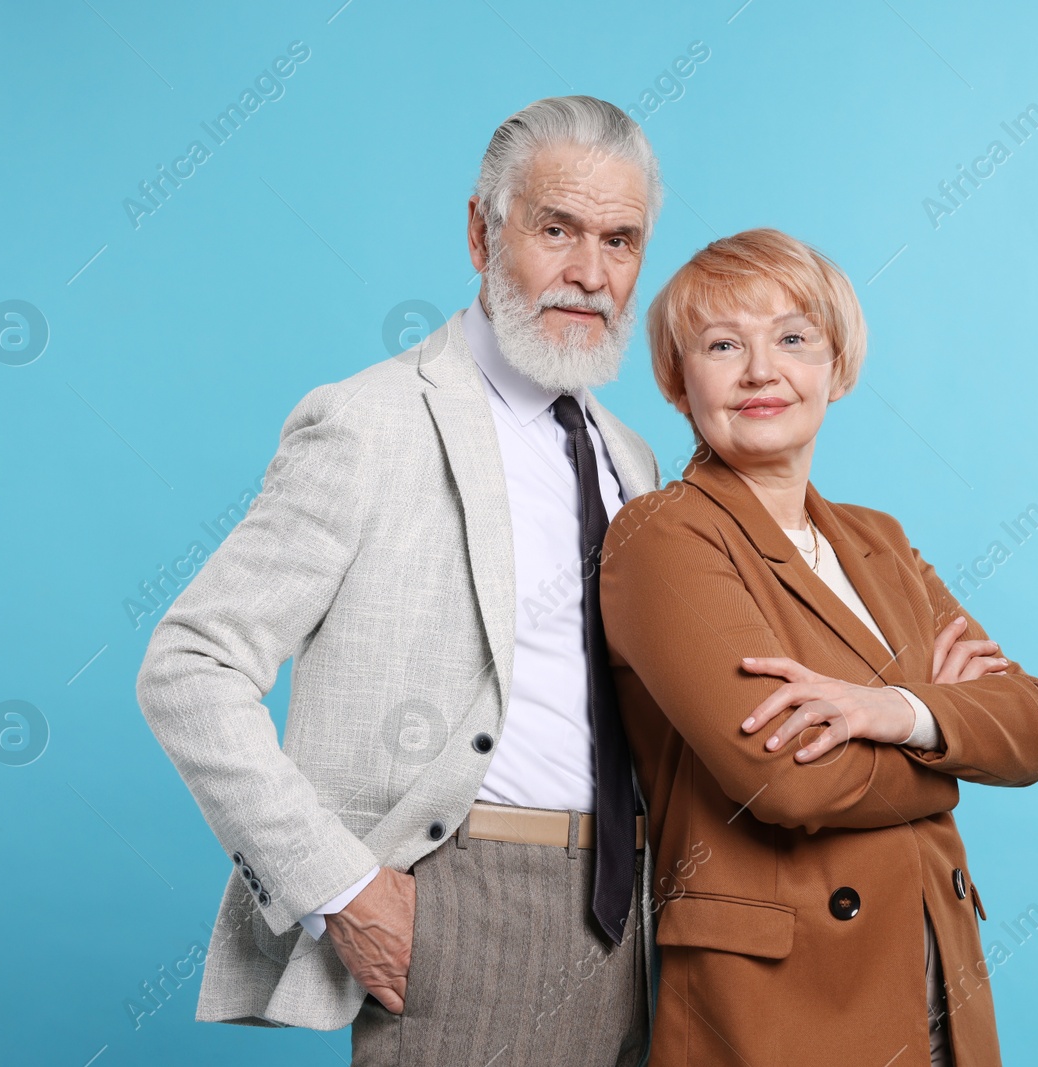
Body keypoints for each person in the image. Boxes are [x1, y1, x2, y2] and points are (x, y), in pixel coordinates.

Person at [136, 96, 666, 1064]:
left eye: (621, 240)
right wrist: (342, 887)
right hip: (464, 910)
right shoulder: (368, 422)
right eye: (557, 229)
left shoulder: (633, 459)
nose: (591, 273)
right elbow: (189, 663)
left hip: (633, 926)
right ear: (480, 229)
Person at [599, 228, 1038, 1065]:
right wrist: (949, 735)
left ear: (837, 367)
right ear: (676, 380)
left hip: (934, 969)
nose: (761, 370)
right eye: (722, 344)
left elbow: (1030, 726)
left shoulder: (876, 540)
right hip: (784, 999)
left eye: (793, 338)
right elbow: (785, 779)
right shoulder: (663, 535)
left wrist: (892, 710)